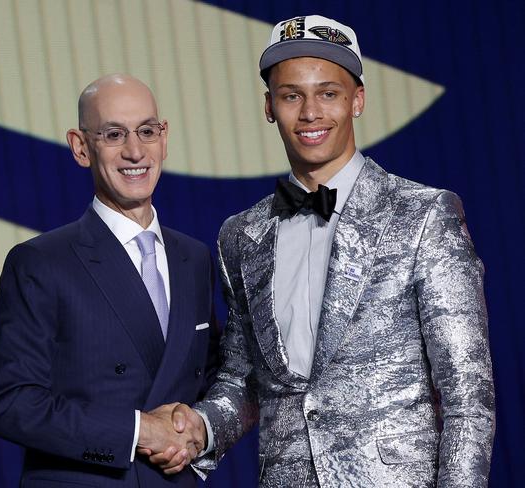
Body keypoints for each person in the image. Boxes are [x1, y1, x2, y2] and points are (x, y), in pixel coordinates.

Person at [158, 14, 495, 487]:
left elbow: (467, 395)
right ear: (269, 106)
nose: (310, 112)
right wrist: (200, 428)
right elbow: (244, 380)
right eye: (292, 95)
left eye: (328, 93)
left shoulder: (423, 215)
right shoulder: (241, 235)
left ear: (357, 100)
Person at [0, 74, 219, 487]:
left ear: (164, 138)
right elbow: (11, 404)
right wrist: (139, 430)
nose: (135, 151)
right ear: (80, 147)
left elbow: (215, 375)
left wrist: (199, 428)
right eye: (113, 134)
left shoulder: (194, 258)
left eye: (147, 131)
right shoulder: (40, 262)